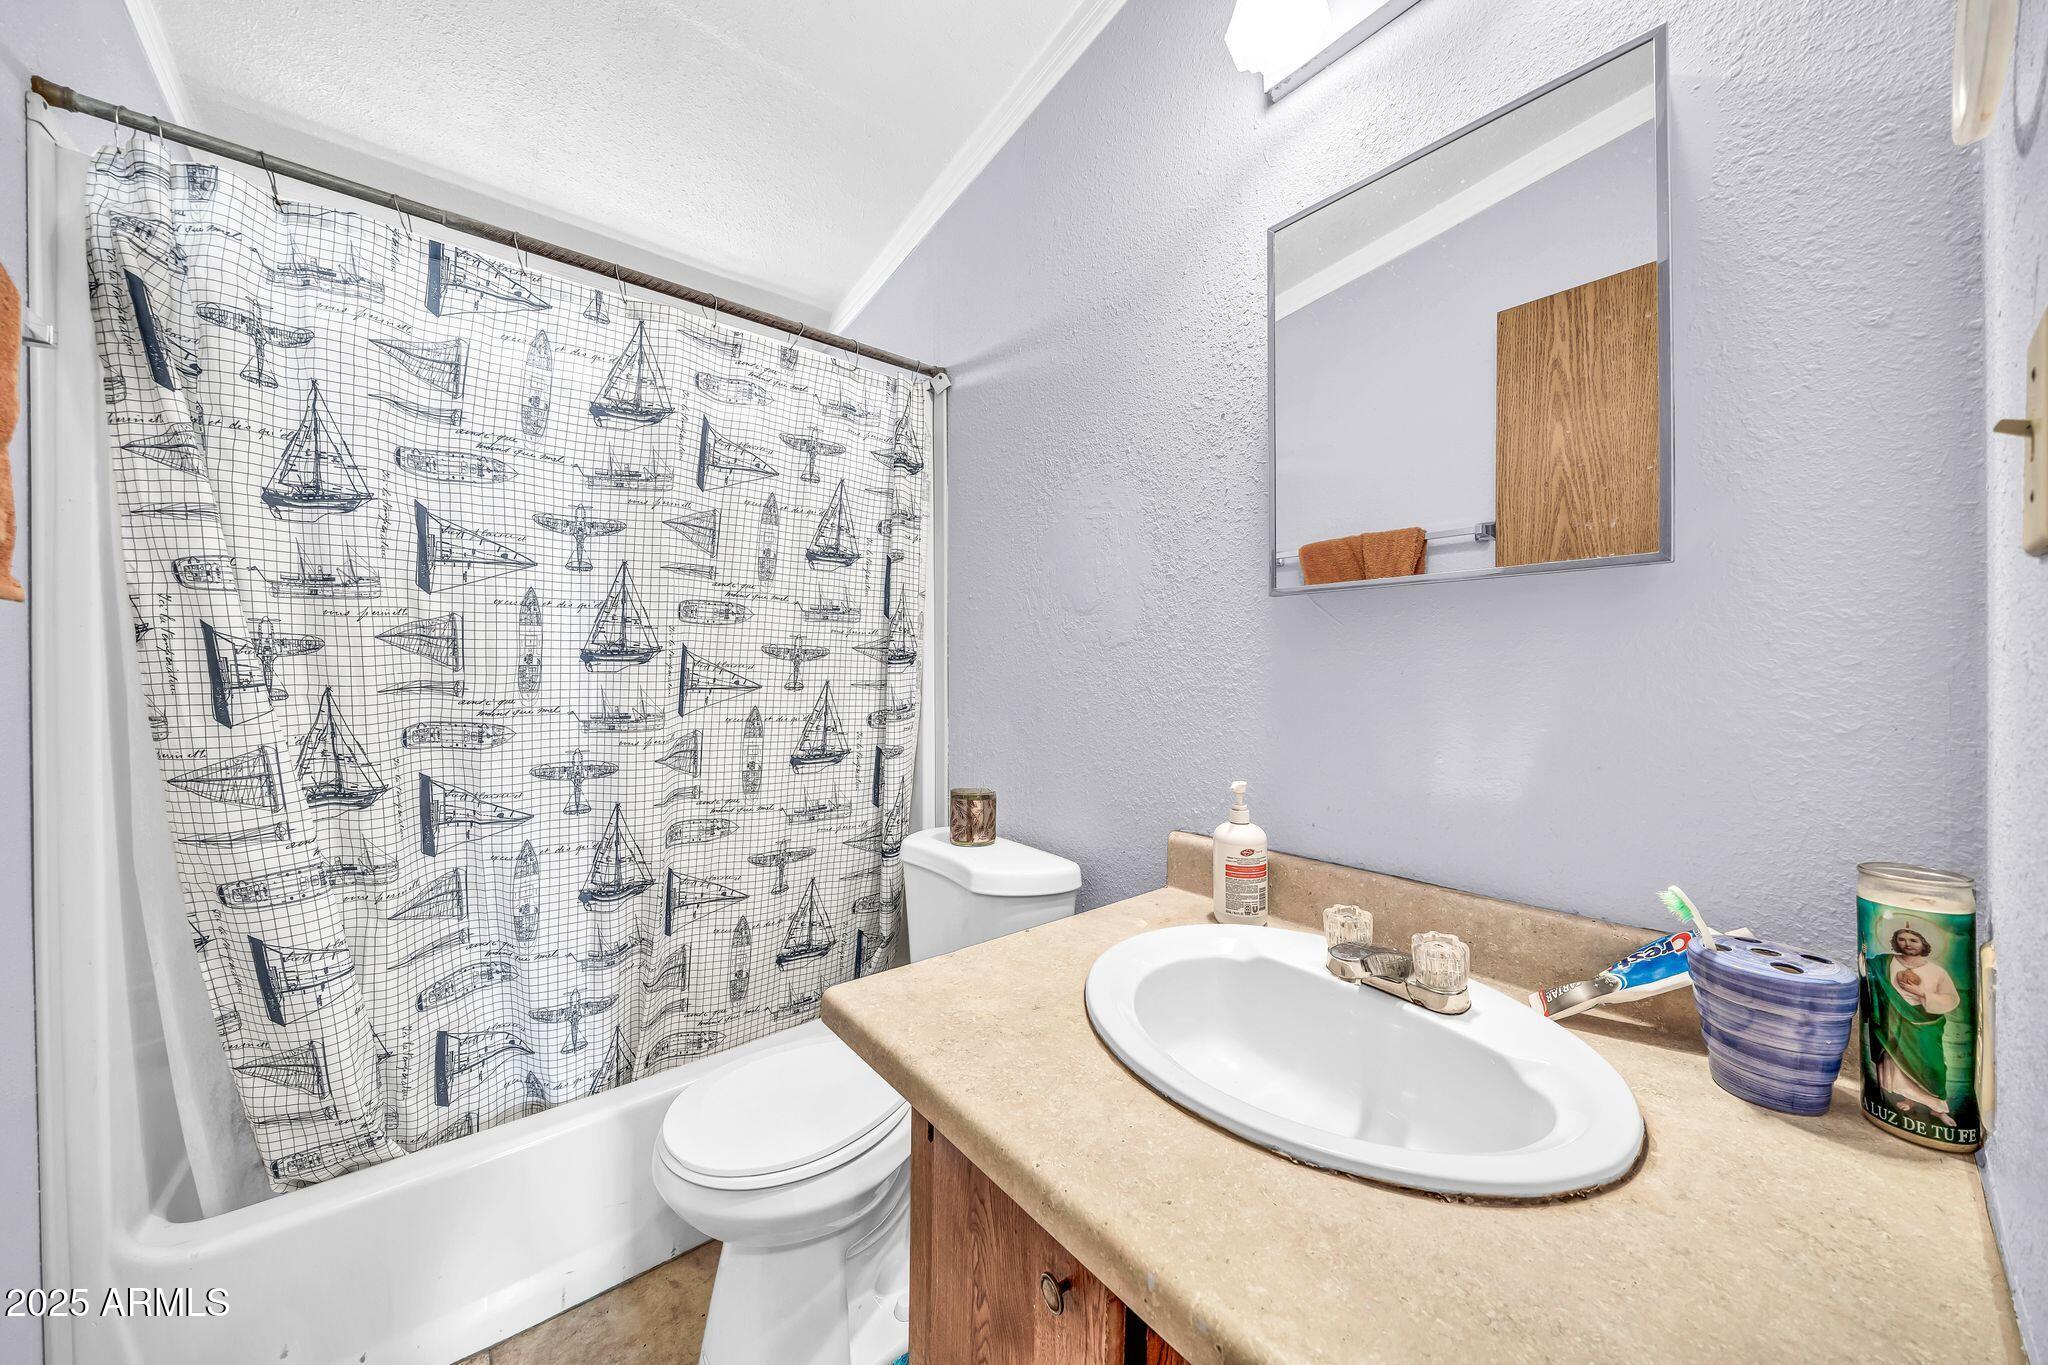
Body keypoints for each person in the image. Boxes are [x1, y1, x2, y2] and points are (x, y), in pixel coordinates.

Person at [1863, 920, 1961, 1124]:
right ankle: (1908, 1098)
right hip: (1893, 1021)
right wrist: (1863, 956)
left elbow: (1951, 999)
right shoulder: (1885, 962)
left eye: (1914, 940)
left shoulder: (1937, 971)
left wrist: (1921, 992)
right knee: (1896, 1061)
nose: (1907, 943)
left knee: (1932, 1066)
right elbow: (1868, 973)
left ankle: (1937, 1108)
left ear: (1924, 943)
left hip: (1923, 1024)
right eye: (1902, 939)